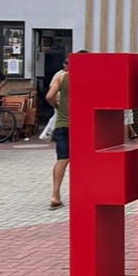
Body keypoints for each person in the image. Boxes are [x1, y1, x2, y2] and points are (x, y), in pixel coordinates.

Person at [46, 52, 83, 209]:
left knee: (62, 159)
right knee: (83, 160)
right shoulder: (90, 77)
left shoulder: (61, 77)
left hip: (63, 123)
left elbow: (49, 96)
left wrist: (58, 106)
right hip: (82, 125)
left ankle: (55, 195)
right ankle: (84, 193)